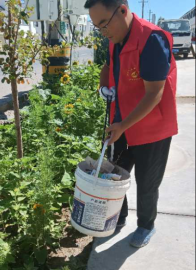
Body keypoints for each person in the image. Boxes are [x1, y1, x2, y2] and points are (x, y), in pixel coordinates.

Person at [85, 0, 178, 248]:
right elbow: (108, 66)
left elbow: (154, 94)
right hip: (122, 120)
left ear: (123, 11)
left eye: (104, 24)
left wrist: (123, 125)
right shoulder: (114, 37)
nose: (103, 32)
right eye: (97, 28)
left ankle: (146, 225)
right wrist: (104, 86)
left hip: (152, 128)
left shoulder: (152, 40)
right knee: (114, 174)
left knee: (147, 182)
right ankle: (118, 216)